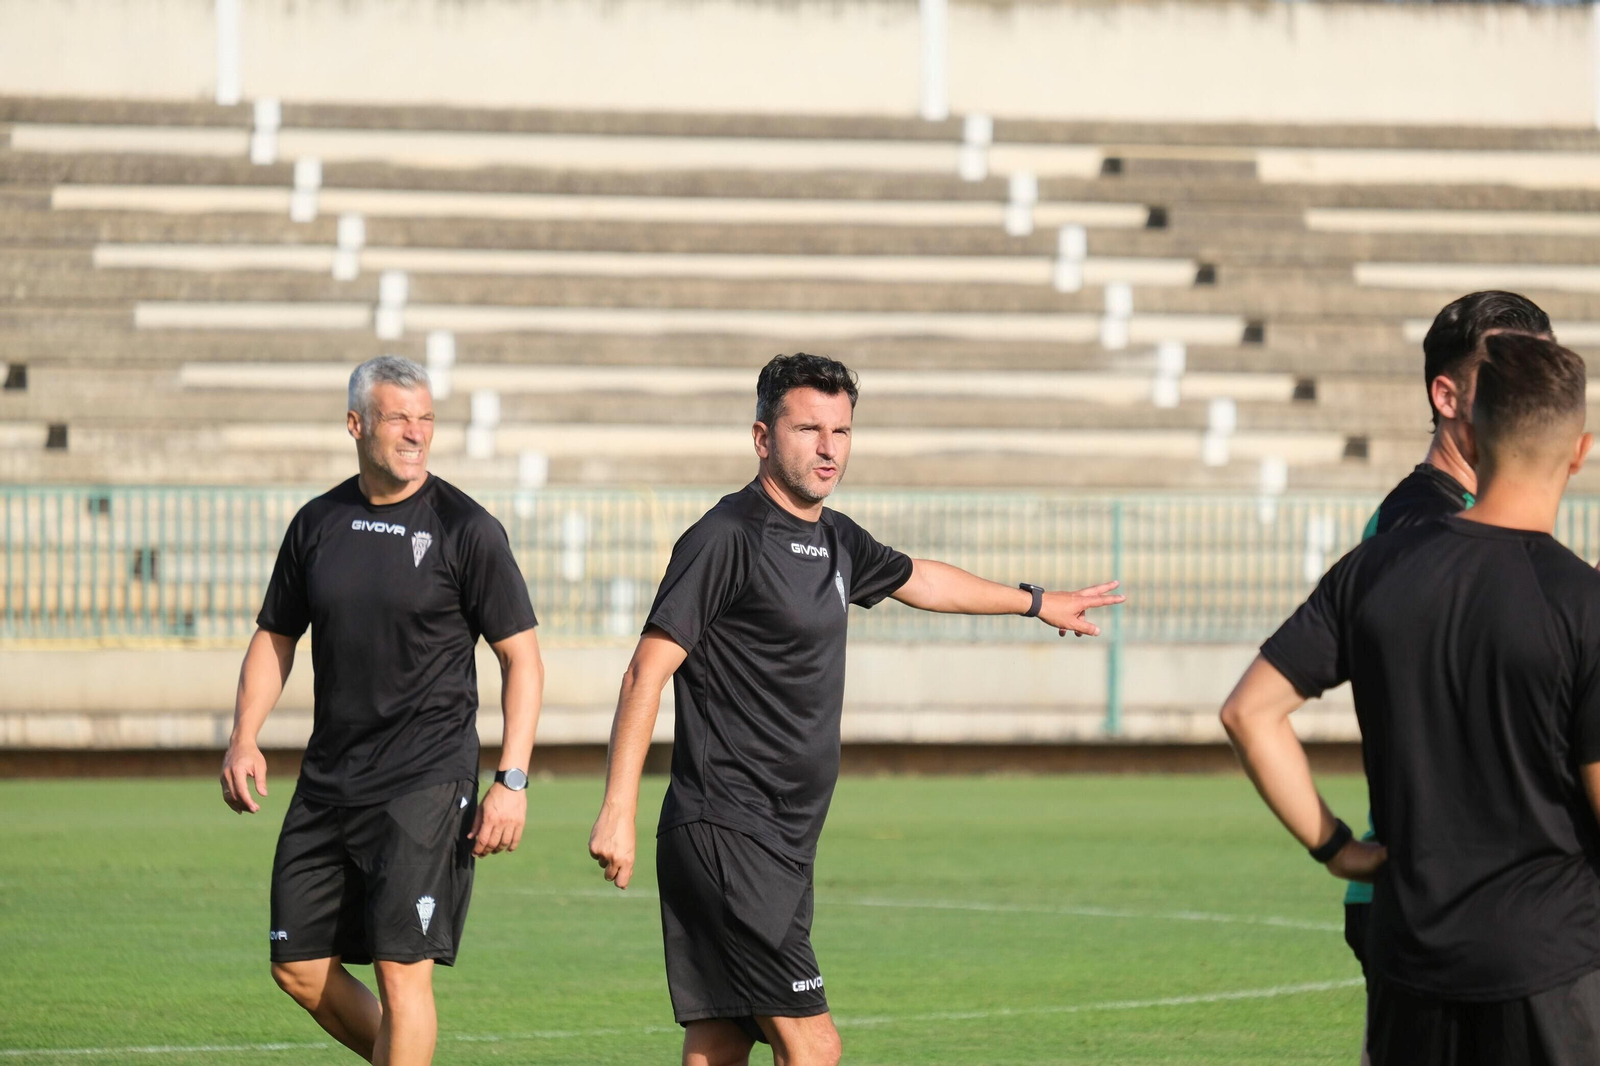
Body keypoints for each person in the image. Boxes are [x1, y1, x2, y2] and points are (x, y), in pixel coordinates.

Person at [587, 352, 1125, 1066]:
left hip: (784, 840)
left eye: (840, 431)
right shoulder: (726, 538)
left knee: (719, 1043)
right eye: (808, 429)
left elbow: (922, 579)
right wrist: (617, 809)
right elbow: (644, 673)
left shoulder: (836, 538)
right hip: (729, 830)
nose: (828, 448)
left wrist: (1035, 601)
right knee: (815, 1046)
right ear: (762, 438)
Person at [1221, 333, 1600, 1065]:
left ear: (1474, 435)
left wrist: (1335, 847)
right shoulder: (1583, 603)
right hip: (1553, 963)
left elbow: (1249, 712)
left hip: (1410, 959)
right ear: (1579, 452)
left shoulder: (1374, 568)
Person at [219, 356, 544, 1066]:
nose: (416, 432)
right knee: (297, 965)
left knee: (402, 974)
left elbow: (522, 659)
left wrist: (512, 780)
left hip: (425, 780)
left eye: (426, 418)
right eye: (398, 417)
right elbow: (275, 636)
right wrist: (244, 736)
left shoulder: (467, 528)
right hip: (329, 780)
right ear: (356, 424)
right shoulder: (318, 523)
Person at [1339, 292, 1552, 1062]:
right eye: (1508, 376)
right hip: (1445, 895)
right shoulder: (1420, 524)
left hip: (1485, 890)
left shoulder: (1481, 517)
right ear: (1447, 395)